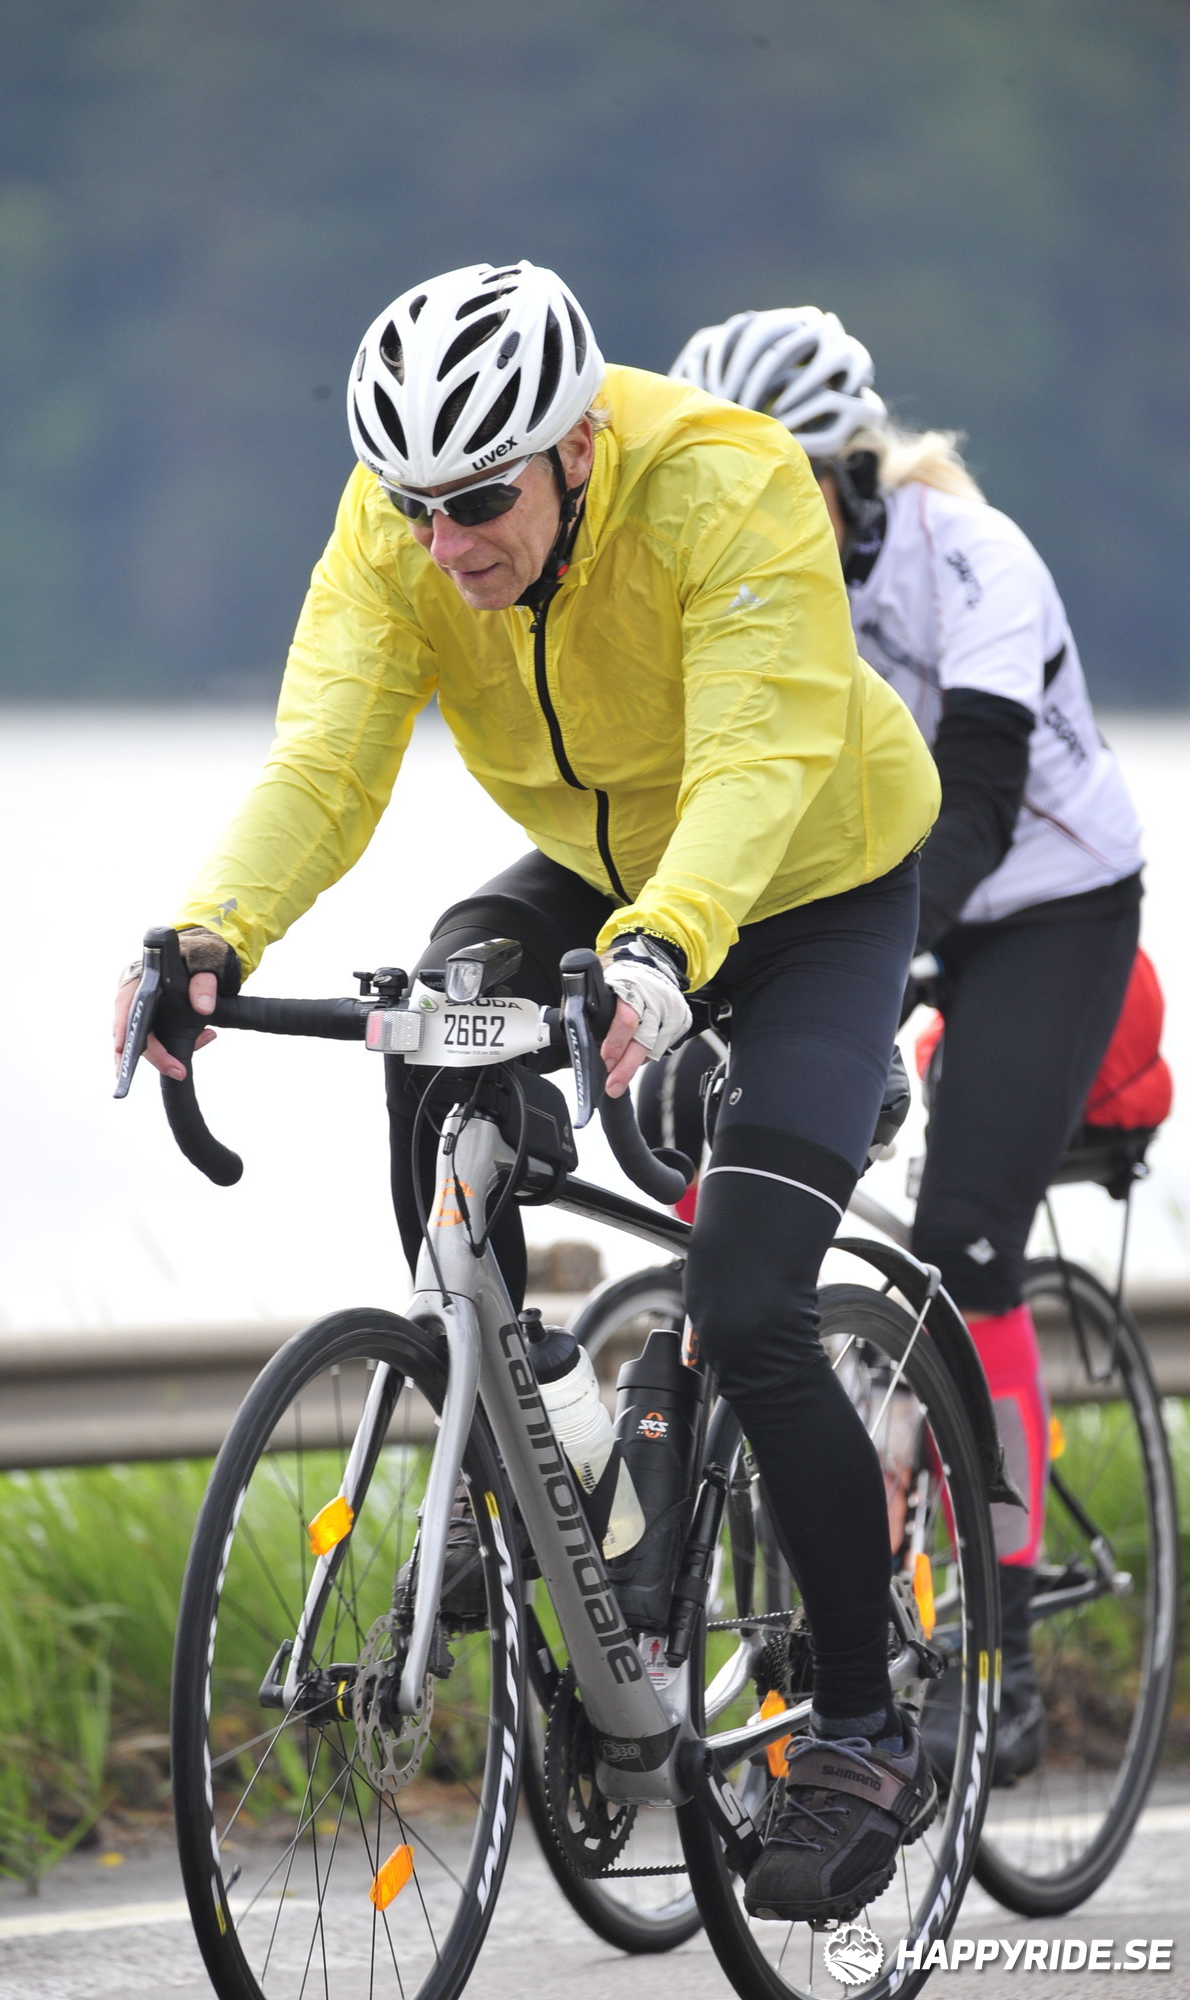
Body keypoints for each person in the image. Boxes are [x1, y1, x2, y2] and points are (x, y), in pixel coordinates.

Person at [114, 262, 943, 1922]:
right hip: (604, 873)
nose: (445, 543)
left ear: (576, 449)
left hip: (815, 879)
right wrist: (215, 931)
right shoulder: (405, 531)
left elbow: (761, 761)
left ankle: (862, 1732)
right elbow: (327, 760)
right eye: (413, 505)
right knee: (441, 1012)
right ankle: (542, 1426)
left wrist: (664, 950)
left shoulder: (723, 481)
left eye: (479, 501)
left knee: (750, 1301)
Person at [669, 305, 1144, 1784]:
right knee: (732, 1199)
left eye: (784, 484)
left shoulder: (974, 560)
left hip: (1045, 903)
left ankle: (1001, 1637)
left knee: (963, 1245)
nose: (755, 514)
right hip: (869, 896)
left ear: (853, 476)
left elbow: (981, 799)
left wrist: (877, 971)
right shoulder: (741, 584)